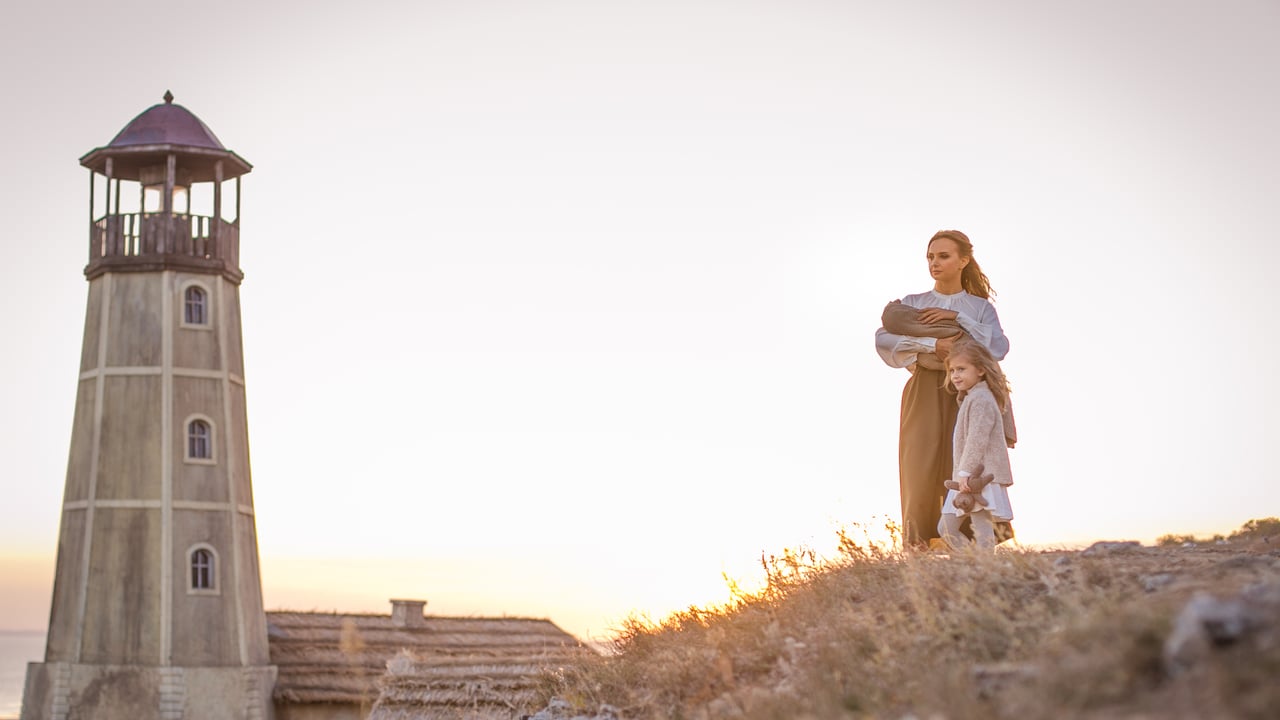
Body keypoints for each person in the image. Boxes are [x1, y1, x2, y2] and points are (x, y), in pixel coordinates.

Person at [875, 230, 1009, 547]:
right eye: (931, 257)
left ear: (963, 260)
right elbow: (883, 340)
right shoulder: (913, 303)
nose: (935, 263)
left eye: (943, 256)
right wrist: (934, 344)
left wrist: (957, 317)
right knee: (917, 463)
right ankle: (919, 544)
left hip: (968, 393)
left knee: (966, 460)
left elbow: (998, 348)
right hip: (923, 386)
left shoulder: (979, 308)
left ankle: (972, 545)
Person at [938, 338, 1014, 551]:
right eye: (952, 370)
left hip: (977, 477)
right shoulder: (972, 397)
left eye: (961, 369)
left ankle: (983, 569)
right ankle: (975, 566)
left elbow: (976, 440)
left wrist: (965, 472)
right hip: (966, 476)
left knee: (982, 530)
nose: (955, 376)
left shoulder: (981, 399)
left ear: (980, 370)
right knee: (946, 527)